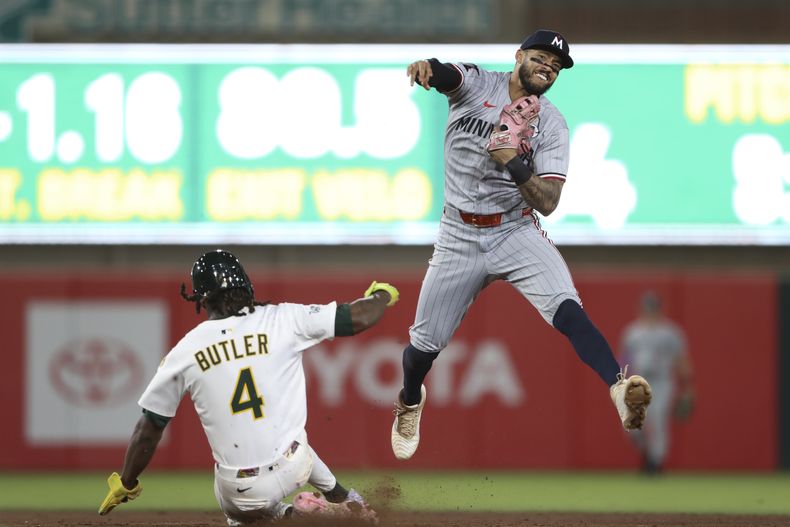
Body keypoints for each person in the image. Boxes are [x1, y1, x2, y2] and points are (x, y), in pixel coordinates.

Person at [390, 29, 653, 461]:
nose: (548, 66)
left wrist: (512, 160)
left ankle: (619, 387)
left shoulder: (552, 124)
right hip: (457, 234)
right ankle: (410, 400)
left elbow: (548, 202)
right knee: (422, 349)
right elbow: (446, 75)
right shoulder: (480, 84)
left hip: (514, 230)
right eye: (541, 57)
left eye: (556, 65)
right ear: (518, 56)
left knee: (568, 309)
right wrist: (426, 70)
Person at [98, 249, 397, 524]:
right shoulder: (284, 319)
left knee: (241, 515)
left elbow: (149, 427)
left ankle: (295, 514)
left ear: (202, 299)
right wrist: (381, 295)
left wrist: (127, 481)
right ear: (246, 285)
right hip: (296, 465)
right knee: (293, 441)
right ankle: (345, 501)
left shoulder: (185, 351)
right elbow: (360, 317)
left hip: (240, 491)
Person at [619, 291, 694, 474]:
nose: (650, 311)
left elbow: (681, 359)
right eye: (647, 307)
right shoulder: (632, 332)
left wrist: (688, 387)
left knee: (658, 419)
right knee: (632, 424)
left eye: (653, 308)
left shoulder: (670, 332)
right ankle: (647, 454)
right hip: (638, 381)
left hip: (662, 381)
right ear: (641, 309)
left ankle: (656, 463)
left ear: (660, 309)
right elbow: (624, 359)